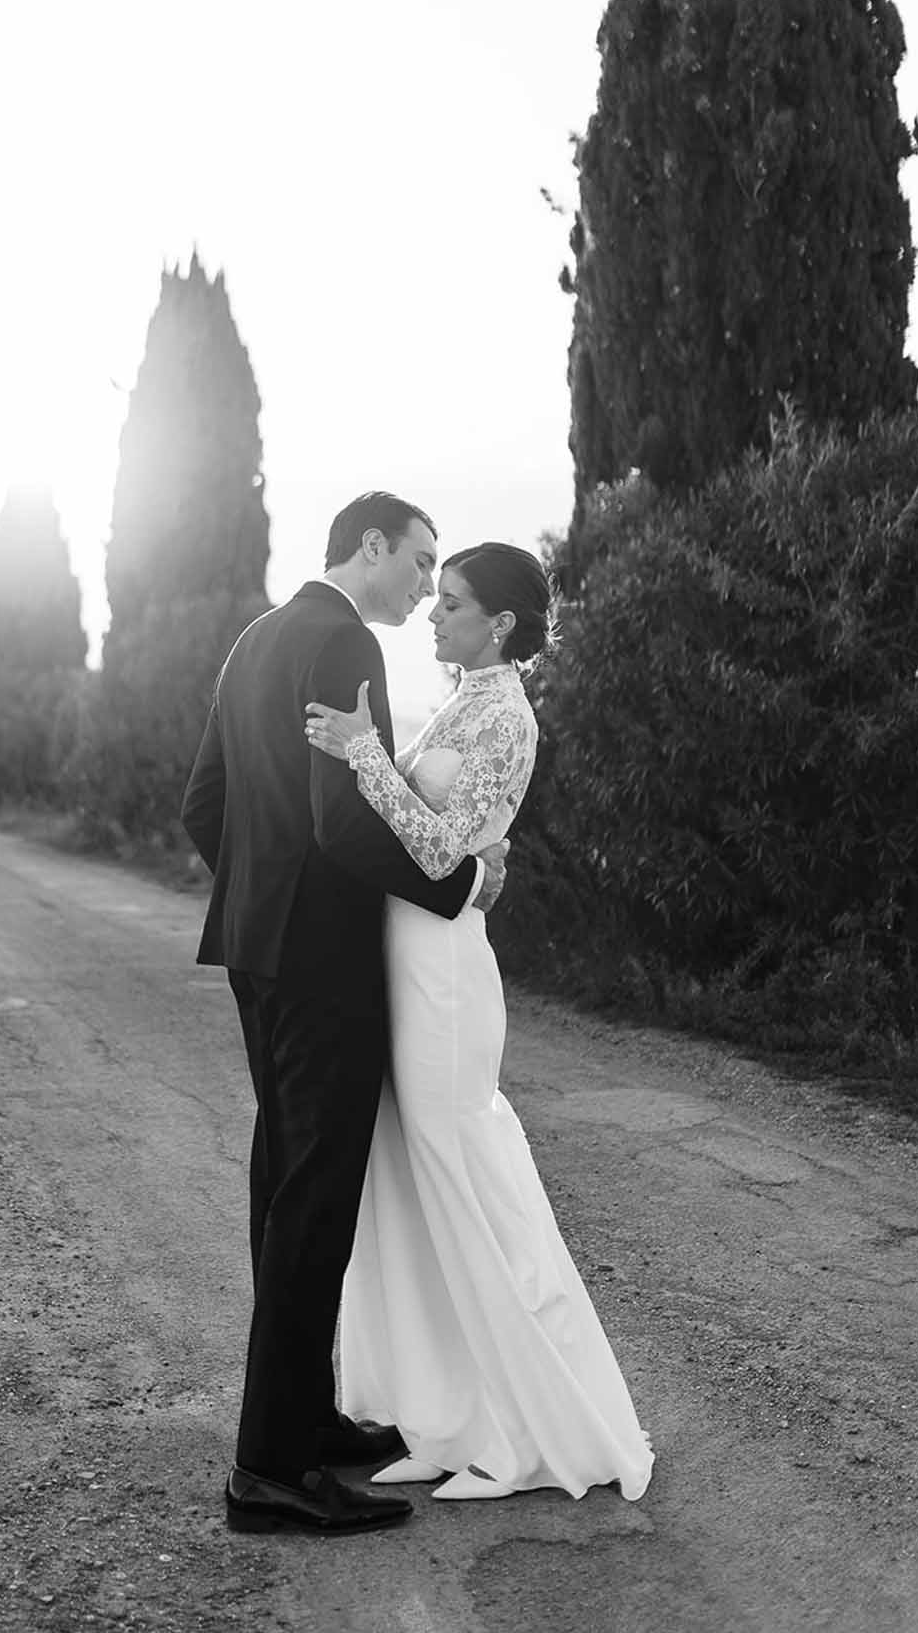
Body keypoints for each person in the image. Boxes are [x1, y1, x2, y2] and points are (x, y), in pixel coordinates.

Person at [181, 492, 510, 1536]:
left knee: (284, 1181)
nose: (423, 584)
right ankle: (269, 1471)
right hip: (322, 964)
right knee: (313, 1200)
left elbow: (204, 804)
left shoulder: (256, 639)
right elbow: (340, 820)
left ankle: (306, 1419)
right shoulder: (340, 645)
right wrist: (456, 887)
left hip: (257, 952)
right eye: (416, 561)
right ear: (368, 546)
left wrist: (255, 895)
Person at [304, 541, 654, 1503]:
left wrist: (366, 754)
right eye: (435, 597)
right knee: (410, 1181)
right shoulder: (461, 702)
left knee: (461, 1175)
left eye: (450, 602)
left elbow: (440, 852)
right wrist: (373, 756)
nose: (432, 613)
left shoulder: (510, 718)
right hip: (402, 955)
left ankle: (518, 1434)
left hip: (447, 978)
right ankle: (444, 1418)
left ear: (500, 623)